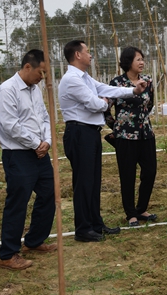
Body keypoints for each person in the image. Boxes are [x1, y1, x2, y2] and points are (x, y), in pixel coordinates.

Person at [59, 40, 146, 242]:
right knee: (83, 183)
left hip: (90, 133)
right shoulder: (72, 79)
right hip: (79, 133)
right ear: (78, 55)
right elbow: (95, 104)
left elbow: (106, 90)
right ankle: (83, 229)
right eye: (87, 51)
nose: (90, 55)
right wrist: (104, 103)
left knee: (93, 181)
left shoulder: (85, 78)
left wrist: (132, 91)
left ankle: (95, 224)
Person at [0, 50, 57, 271]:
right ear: (28, 67)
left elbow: (44, 117)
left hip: (40, 152)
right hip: (18, 154)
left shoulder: (35, 90)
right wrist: (35, 143)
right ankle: (8, 254)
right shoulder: (7, 90)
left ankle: (34, 240)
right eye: (41, 72)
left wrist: (47, 141)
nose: (43, 77)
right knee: (18, 202)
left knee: (49, 193)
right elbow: (9, 125)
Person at [104, 47, 157, 227]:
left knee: (150, 171)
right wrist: (116, 126)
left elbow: (150, 104)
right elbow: (105, 109)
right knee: (127, 175)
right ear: (128, 62)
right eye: (138, 59)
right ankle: (131, 214)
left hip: (146, 134)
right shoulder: (117, 83)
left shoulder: (147, 81)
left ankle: (142, 208)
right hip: (125, 137)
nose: (142, 62)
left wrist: (141, 120)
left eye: (142, 59)